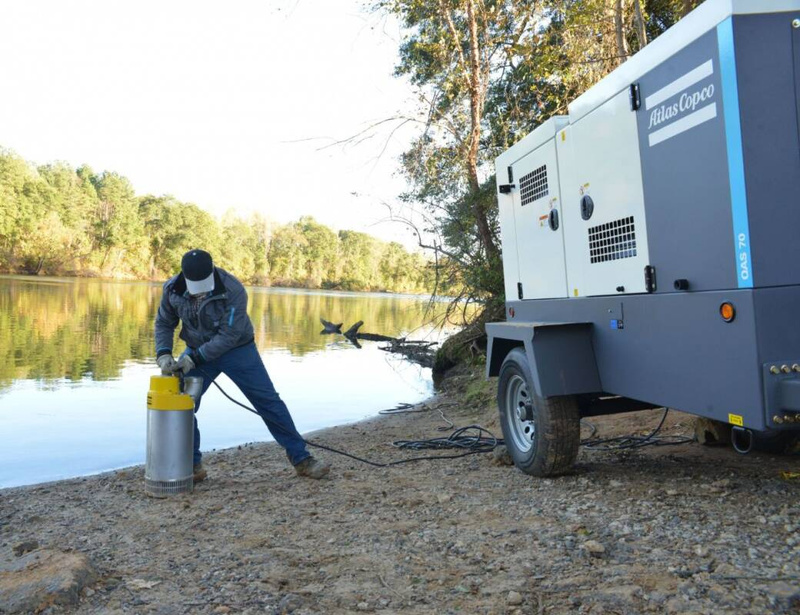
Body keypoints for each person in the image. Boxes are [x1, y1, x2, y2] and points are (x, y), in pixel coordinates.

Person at [154, 249, 330, 481]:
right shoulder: (172, 289)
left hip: (238, 351)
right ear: (184, 276)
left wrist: (194, 359)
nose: (200, 290)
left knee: (268, 402)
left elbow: (229, 335)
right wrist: (164, 353)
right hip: (196, 349)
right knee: (182, 404)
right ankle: (192, 465)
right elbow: (164, 323)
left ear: (212, 271)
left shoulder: (232, 289)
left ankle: (302, 459)